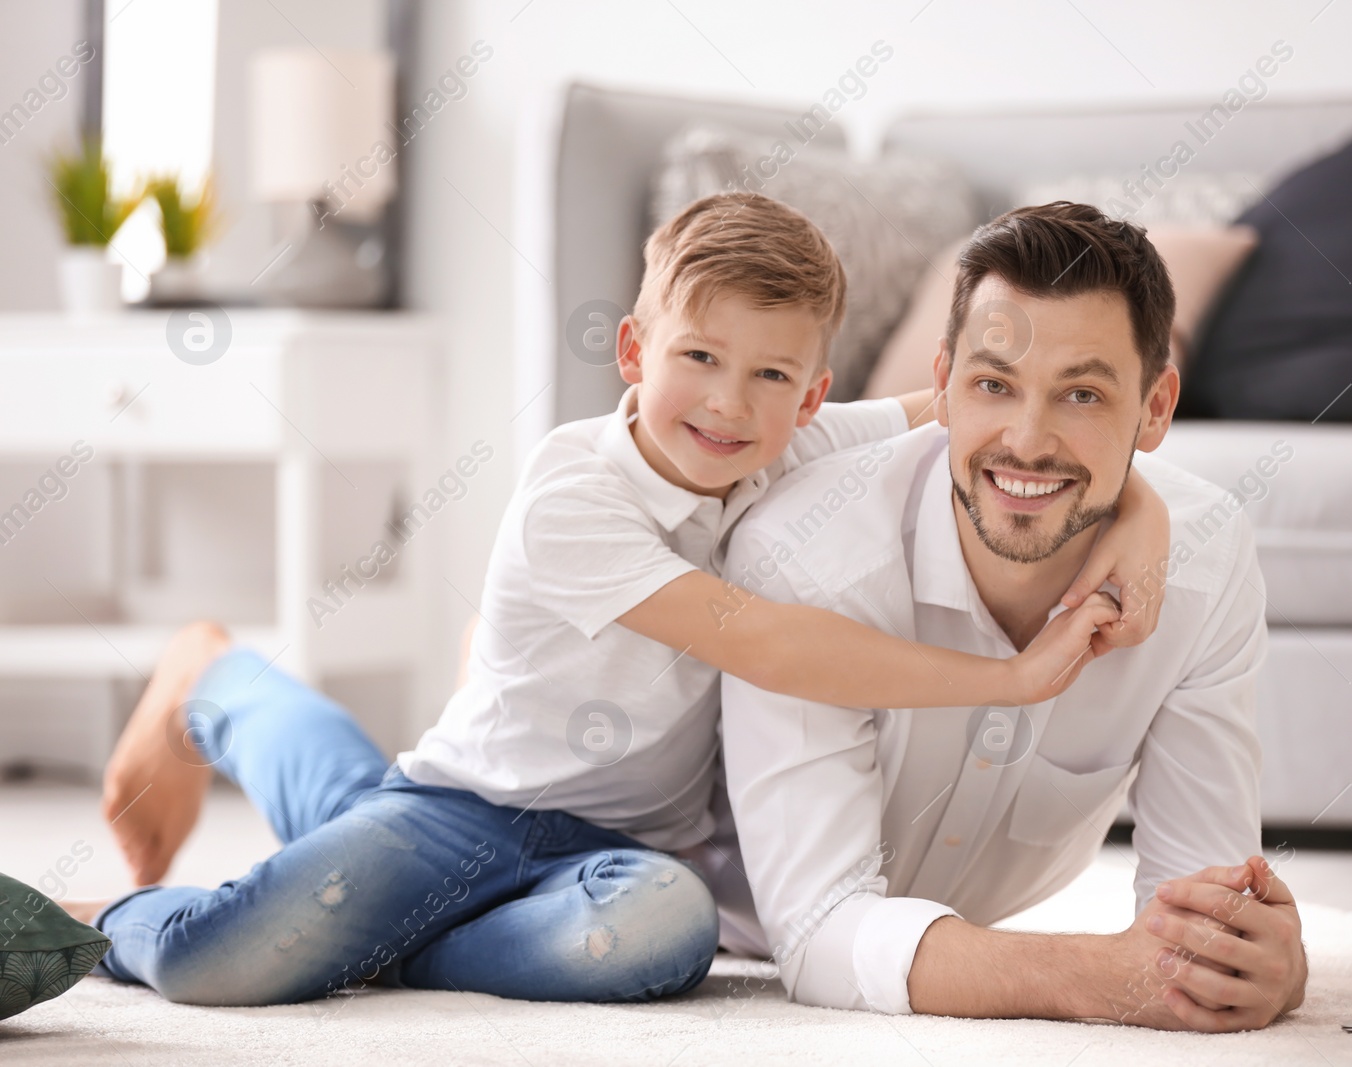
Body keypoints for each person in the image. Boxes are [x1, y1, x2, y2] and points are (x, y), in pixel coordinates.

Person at [73, 193, 1171, 1007]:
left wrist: (1143, 514)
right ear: (635, 352)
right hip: (469, 807)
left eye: (772, 377)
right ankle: (96, 915)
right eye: (699, 356)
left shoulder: (785, 446)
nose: (729, 404)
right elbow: (772, 644)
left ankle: (340, 872)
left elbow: (989, 412)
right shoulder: (574, 487)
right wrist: (1011, 678)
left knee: (663, 936)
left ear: (813, 394)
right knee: (233, 959)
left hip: (620, 850)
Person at [719, 201, 1308, 1033]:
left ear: (1156, 406)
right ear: (944, 386)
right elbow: (819, 934)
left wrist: (1261, 961)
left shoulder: (1204, 564)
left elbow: (1201, 910)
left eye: (1082, 394)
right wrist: (1100, 974)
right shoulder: (809, 554)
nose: (1027, 441)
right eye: (994, 384)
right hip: (649, 881)